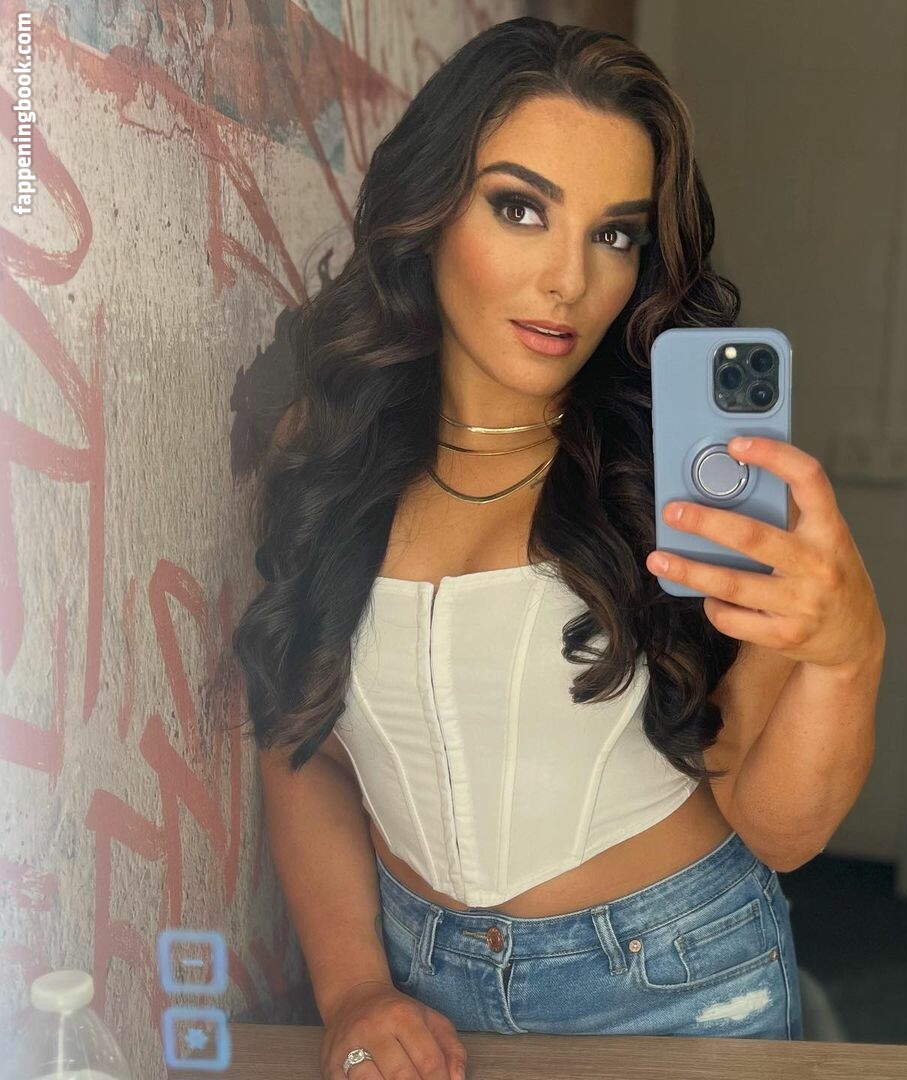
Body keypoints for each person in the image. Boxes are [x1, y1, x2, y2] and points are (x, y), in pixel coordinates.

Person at [234, 16, 805, 1078]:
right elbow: (298, 740)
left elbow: (773, 815)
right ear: (429, 207)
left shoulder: (672, 474)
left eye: (615, 235)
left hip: (679, 985)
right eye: (521, 208)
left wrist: (846, 645)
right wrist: (353, 986)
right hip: (416, 989)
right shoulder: (331, 447)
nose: (569, 281)